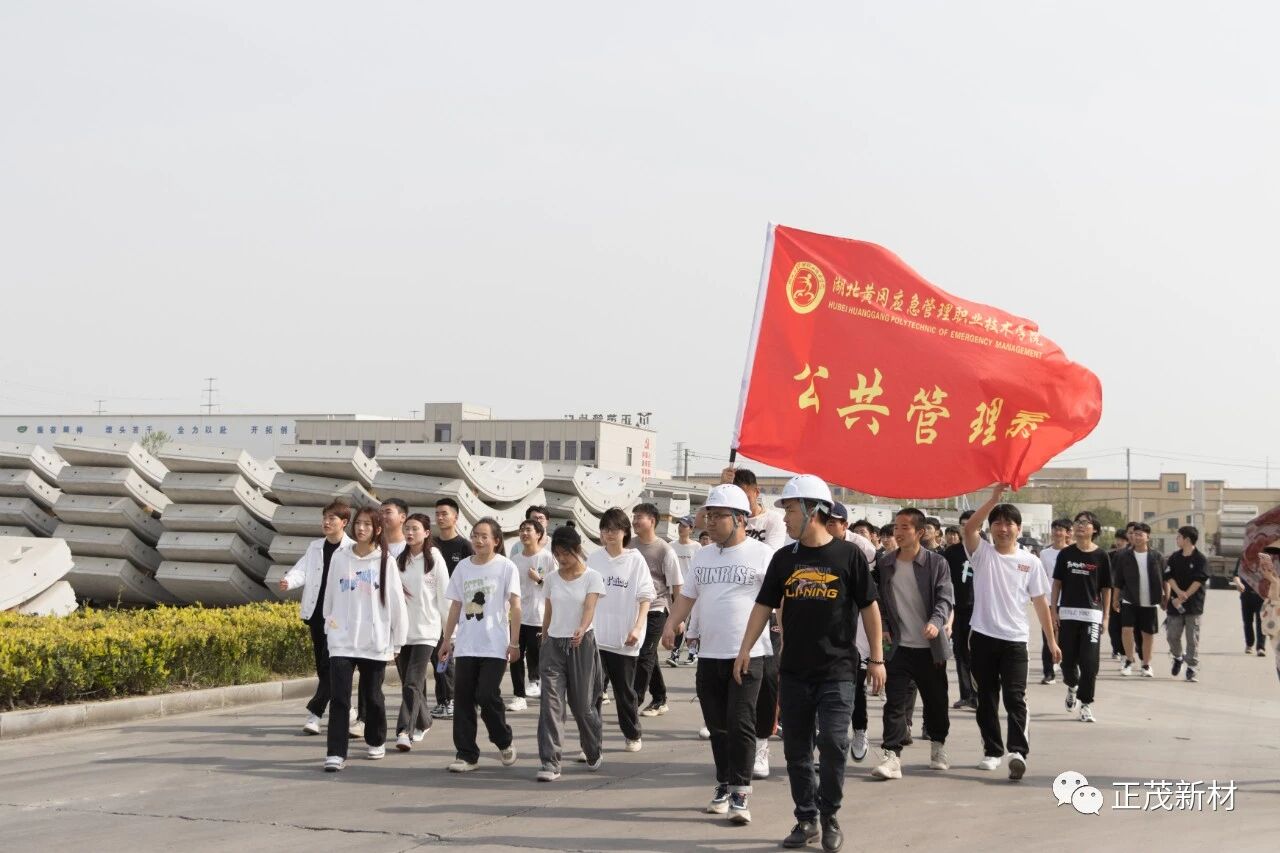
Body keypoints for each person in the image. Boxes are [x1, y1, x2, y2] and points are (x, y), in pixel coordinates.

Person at [734, 474, 885, 853]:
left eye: (790, 510)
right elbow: (763, 606)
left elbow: (870, 609)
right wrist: (745, 648)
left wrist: (877, 659)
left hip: (838, 671)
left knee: (833, 742)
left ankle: (829, 815)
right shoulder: (784, 558)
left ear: (813, 510)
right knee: (797, 751)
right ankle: (806, 818)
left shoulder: (849, 555)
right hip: (794, 672)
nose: (785, 517)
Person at [663, 485, 774, 825]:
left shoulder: (763, 554)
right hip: (709, 655)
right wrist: (671, 625)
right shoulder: (703, 556)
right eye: (707, 515)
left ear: (740, 519)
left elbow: (776, 602)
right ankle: (724, 784)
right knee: (717, 725)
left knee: (741, 723)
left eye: (717, 516)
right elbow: (687, 596)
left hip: (749, 654)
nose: (709, 522)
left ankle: (741, 792)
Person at [963, 485, 1059, 780]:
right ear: (991, 528)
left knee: (1015, 698)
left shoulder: (1030, 562)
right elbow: (969, 528)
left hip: (1015, 640)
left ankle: (1017, 752)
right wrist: (992, 500)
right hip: (982, 636)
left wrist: (1051, 641)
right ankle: (992, 751)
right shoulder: (982, 554)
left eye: (1009, 524)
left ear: (1018, 528)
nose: (1003, 529)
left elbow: (1040, 603)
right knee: (987, 698)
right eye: (998, 523)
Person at [320, 506, 407, 771]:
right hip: (342, 639)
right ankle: (336, 753)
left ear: (377, 529)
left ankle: (376, 739)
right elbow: (330, 593)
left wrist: (397, 640)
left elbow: (396, 602)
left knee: (372, 696)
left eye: (368, 524)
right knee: (340, 699)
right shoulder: (340, 557)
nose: (361, 528)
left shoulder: (385, 561)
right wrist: (329, 625)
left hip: (374, 640)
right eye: (358, 523)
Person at [870, 508, 954, 780]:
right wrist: (883, 627)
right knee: (894, 703)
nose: (898, 532)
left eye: (905, 527)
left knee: (936, 701)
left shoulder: (936, 563)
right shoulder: (885, 563)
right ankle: (892, 757)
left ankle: (938, 746)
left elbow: (945, 597)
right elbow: (879, 601)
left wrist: (936, 621)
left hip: (930, 648)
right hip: (899, 647)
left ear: (920, 532)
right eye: (896, 526)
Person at [439, 517, 522, 772]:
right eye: (475, 535)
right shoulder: (463, 567)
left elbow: (516, 606)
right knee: (463, 700)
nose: (478, 540)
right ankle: (466, 755)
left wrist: (515, 642)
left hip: (495, 644)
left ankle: (503, 740)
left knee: (486, 695)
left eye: (484, 536)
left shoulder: (506, 567)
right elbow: (456, 605)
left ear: (496, 541)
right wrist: (447, 640)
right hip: (466, 644)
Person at [535, 525, 606, 781]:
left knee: (582, 706)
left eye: (566, 553)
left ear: (577, 550)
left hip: (581, 644)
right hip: (553, 646)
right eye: (557, 554)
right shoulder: (551, 579)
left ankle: (593, 748)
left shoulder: (592, 577)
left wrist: (582, 628)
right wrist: (544, 638)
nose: (561, 559)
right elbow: (549, 611)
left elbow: (589, 607)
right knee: (551, 705)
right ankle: (550, 762)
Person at [279, 499, 353, 736]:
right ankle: (347, 708)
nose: (326, 522)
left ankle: (315, 713)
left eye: (332, 518)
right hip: (316, 613)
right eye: (325, 518)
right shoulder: (315, 547)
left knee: (330, 663)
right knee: (323, 667)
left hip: (338, 617)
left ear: (344, 522)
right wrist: (289, 581)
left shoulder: (351, 549)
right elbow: (302, 570)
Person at [589, 507, 654, 751]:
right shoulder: (594, 559)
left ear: (625, 532)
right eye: (605, 529)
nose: (610, 534)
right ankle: (591, 741)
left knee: (624, 692)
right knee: (593, 692)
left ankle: (632, 733)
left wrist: (637, 627)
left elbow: (646, 597)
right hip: (596, 637)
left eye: (615, 529)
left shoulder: (635, 560)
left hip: (624, 639)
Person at [394, 513, 449, 751]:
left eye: (415, 529)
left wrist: (449, 636)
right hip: (402, 632)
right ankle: (424, 721)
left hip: (427, 631)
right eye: (407, 528)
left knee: (412, 683)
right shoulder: (399, 559)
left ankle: (403, 731)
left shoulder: (434, 559)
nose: (409, 533)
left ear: (426, 533)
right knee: (410, 683)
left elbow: (445, 599)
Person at [1052, 511, 1112, 723]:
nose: (1080, 525)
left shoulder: (1101, 556)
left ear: (1094, 529)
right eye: (1077, 522)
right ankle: (1072, 686)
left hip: (1092, 616)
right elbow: (1057, 584)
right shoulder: (1066, 554)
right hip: (1068, 614)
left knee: (1089, 663)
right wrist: (1053, 610)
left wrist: (1106, 617)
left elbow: (1106, 588)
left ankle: (1086, 704)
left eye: (1085, 522)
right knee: (1067, 662)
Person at [628, 502, 683, 718]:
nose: (634, 521)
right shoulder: (629, 545)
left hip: (657, 608)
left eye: (638, 517)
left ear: (652, 521)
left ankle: (633, 702)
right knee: (648, 655)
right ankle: (660, 699)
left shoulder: (665, 550)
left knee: (644, 654)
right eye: (633, 517)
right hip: (634, 609)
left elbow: (676, 587)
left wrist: (678, 618)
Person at [431, 497, 473, 720]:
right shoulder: (431, 544)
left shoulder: (464, 546)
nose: (440, 517)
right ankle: (444, 700)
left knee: (448, 655)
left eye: (444, 513)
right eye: (437, 513)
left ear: (456, 517)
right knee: (438, 655)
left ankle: (452, 699)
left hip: (457, 609)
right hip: (434, 607)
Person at [509, 518, 556, 712]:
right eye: (521, 530)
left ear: (539, 534)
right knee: (515, 656)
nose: (524, 533)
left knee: (539, 656)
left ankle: (543, 688)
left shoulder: (547, 558)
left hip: (539, 616)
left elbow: (556, 587)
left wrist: (539, 579)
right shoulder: (514, 561)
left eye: (528, 530)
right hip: (518, 616)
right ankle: (519, 696)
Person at [1112, 522, 1166, 678]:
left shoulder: (1157, 556)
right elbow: (1118, 580)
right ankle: (1129, 661)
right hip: (1129, 599)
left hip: (1150, 601)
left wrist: (1166, 597)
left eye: (1140, 534)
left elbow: (1165, 579)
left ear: (1148, 537)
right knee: (1126, 630)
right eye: (1134, 534)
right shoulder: (1124, 556)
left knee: (1148, 634)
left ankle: (1146, 664)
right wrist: (1115, 599)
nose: (1136, 537)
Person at [1164, 526, 1209, 683]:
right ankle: (1177, 657)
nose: (1177, 539)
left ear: (1187, 539)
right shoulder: (1174, 557)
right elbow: (1168, 576)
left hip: (1193, 606)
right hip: (1175, 604)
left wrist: (1185, 596)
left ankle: (1192, 667)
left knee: (1192, 638)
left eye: (1179, 537)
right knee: (1172, 636)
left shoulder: (1200, 559)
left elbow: (1199, 580)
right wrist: (1178, 592)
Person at [944, 510, 977, 711]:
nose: (967, 528)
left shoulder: (986, 550)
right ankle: (966, 695)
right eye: (963, 524)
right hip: (958, 609)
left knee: (978, 654)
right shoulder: (951, 553)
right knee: (960, 652)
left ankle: (980, 693)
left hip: (980, 610)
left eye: (971, 523)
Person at [1035, 519, 1071, 684]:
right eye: (1055, 529)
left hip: (1068, 600)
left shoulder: (1071, 552)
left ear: (1067, 533)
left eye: (1061, 529)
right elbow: (1041, 576)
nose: (1057, 532)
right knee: (1048, 635)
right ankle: (1048, 672)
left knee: (1065, 636)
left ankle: (1067, 667)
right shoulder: (1045, 553)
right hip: (1049, 599)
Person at [668, 515, 702, 667]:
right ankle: (677, 653)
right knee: (678, 621)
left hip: (692, 591)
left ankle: (690, 653)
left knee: (691, 624)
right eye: (679, 525)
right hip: (675, 590)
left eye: (684, 525)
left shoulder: (697, 547)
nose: (681, 528)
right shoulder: (671, 546)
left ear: (691, 529)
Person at [1106, 529, 1130, 659]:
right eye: (1118, 539)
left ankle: (1125, 650)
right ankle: (1117, 648)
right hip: (1113, 593)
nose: (1119, 542)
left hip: (1128, 595)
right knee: (1113, 625)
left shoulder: (1131, 555)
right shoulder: (1109, 555)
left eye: (1122, 540)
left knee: (1125, 625)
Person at [1233, 560, 1265, 655]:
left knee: (1261, 622)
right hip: (1246, 595)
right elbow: (1236, 575)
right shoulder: (1244, 558)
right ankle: (1249, 644)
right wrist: (1238, 583)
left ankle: (1261, 648)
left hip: (1262, 596)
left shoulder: (1266, 559)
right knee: (1247, 621)